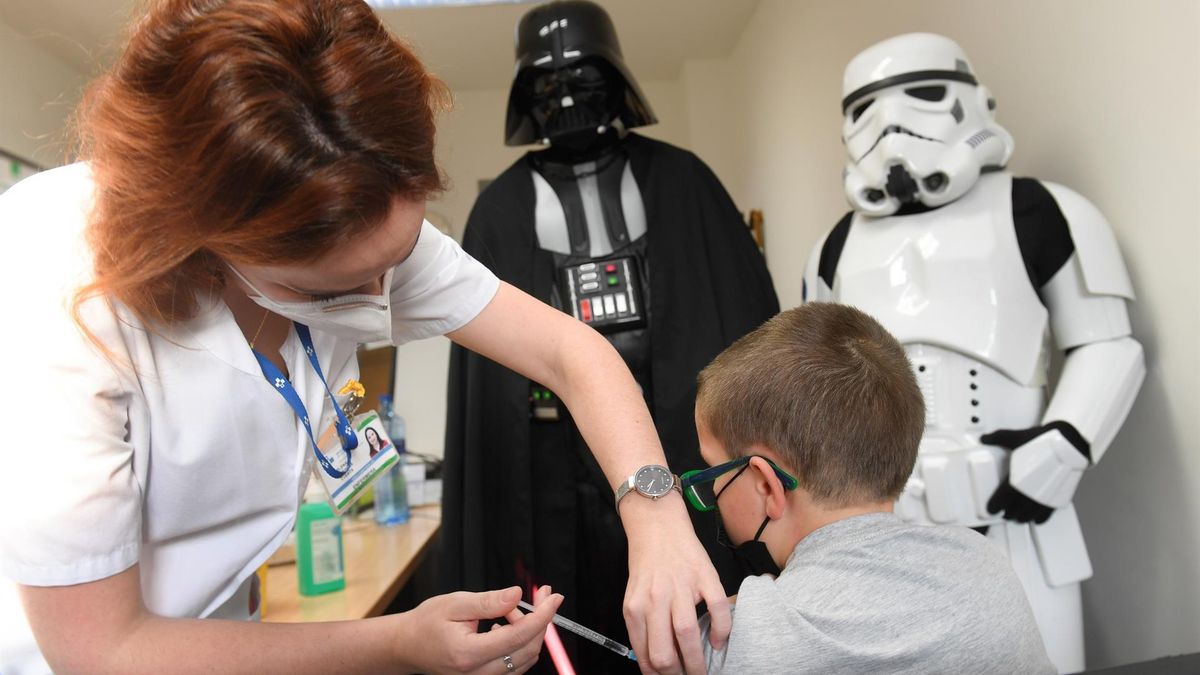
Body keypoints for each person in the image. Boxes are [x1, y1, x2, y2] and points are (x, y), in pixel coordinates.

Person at [0, 1, 728, 673]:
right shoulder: (56, 288)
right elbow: (103, 648)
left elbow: (571, 351)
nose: (384, 296)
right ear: (209, 239)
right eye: (332, 289)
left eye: (400, 255)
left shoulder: (361, 214)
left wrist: (656, 513)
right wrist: (397, 640)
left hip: (228, 624)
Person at [443, 2, 777, 670]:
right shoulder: (501, 211)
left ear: (616, 80)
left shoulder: (683, 182)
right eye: (546, 84)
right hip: (547, 464)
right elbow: (485, 390)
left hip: (675, 449)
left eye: (583, 79)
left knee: (696, 615)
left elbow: (749, 327)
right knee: (573, 619)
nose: (565, 97)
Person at [805, 33, 1145, 672]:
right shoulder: (832, 245)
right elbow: (811, 376)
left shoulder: (1042, 211)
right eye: (865, 111)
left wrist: (1063, 447)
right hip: (880, 526)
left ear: (974, 101)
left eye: (924, 94)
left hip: (1016, 511)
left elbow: (1107, 342)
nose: (892, 126)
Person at [682, 303, 1055, 673]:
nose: (713, 489)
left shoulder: (727, 641)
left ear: (767, 485)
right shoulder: (986, 569)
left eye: (714, 471)